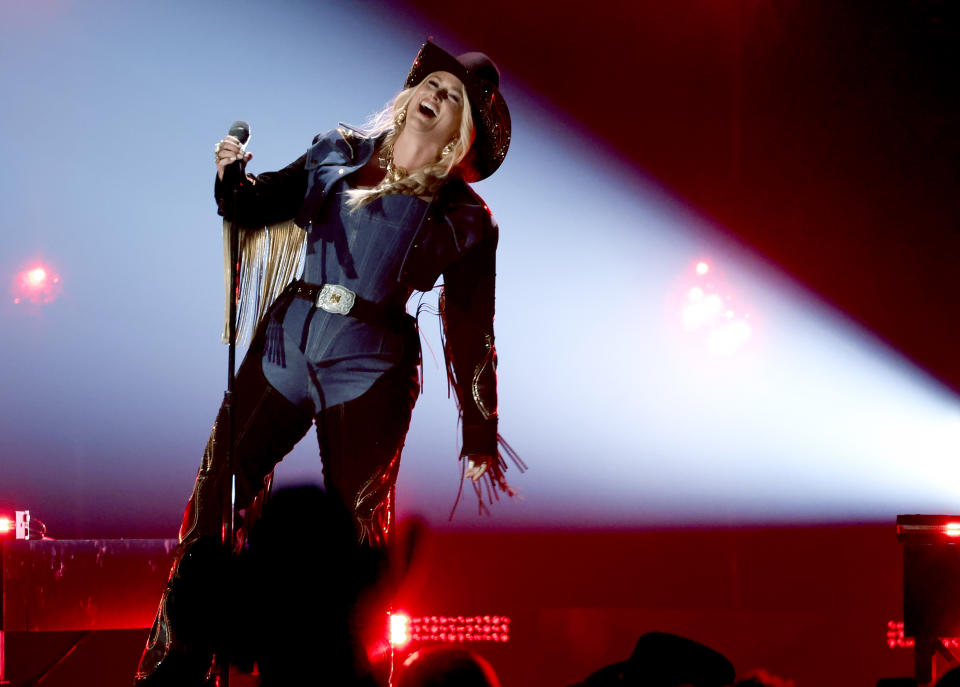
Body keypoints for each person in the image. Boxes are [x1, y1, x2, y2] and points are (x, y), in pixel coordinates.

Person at [134, 40, 519, 686]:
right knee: (215, 498)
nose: (438, 95)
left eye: (455, 98)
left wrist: (481, 430)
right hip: (292, 333)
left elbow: (472, 326)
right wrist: (230, 175)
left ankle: (352, 678)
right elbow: (254, 204)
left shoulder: (468, 219)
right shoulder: (337, 151)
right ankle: (175, 669)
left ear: (464, 133)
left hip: (372, 360)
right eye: (435, 83)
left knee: (360, 536)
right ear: (411, 92)